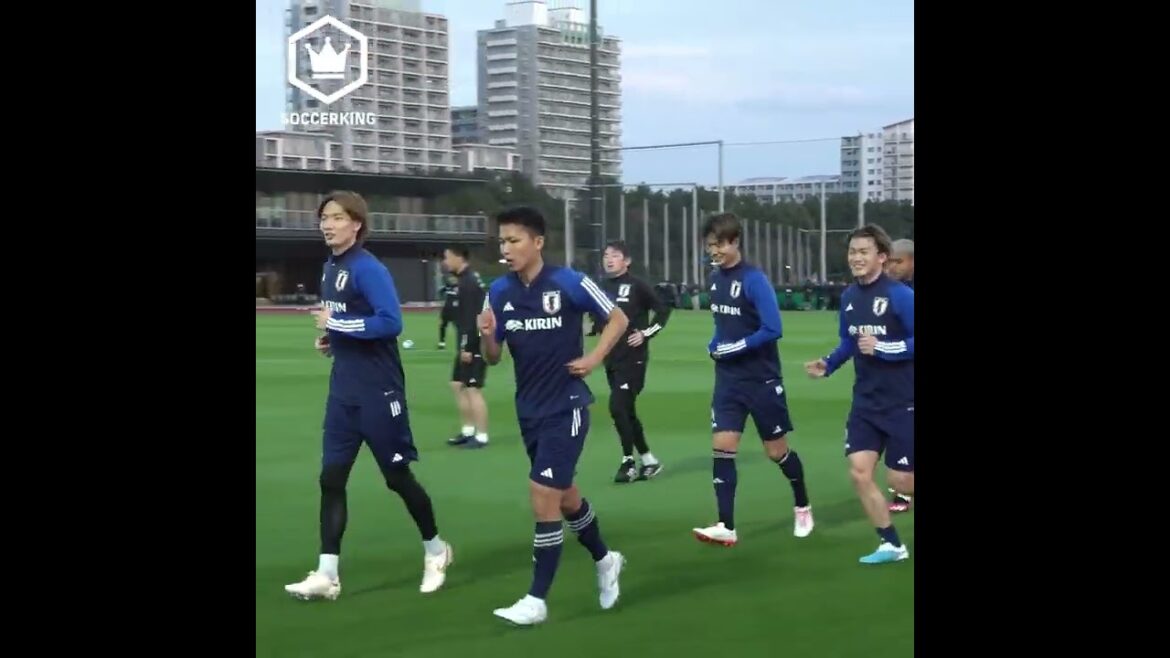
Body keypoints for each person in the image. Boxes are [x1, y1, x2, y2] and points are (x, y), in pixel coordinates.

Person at [284, 191, 454, 601]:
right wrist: (332, 338)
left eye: (337, 217)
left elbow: (390, 322)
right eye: (324, 217)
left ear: (356, 224)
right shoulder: (329, 268)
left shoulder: (368, 268)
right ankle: (328, 574)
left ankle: (436, 549)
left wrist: (338, 323)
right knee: (331, 479)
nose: (328, 224)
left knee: (397, 478)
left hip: (380, 393)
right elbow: (349, 325)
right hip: (344, 392)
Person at [478, 205, 628, 626]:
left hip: (568, 407)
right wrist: (488, 336)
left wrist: (595, 357)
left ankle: (536, 599)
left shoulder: (569, 282)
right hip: (529, 410)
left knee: (542, 492)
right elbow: (493, 359)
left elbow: (618, 317)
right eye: (502, 241)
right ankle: (605, 558)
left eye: (514, 240)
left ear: (538, 242)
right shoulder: (499, 291)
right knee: (564, 496)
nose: (506, 248)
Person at [693, 212, 815, 547]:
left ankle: (802, 504)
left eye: (718, 245)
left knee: (776, 452)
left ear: (734, 242)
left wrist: (734, 347)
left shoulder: (754, 280)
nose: (713, 251)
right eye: (710, 246)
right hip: (729, 381)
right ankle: (726, 525)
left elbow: (773, 329)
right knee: (722, 447)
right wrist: (715, 344)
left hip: (761, 380)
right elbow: (723, 326)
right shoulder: (715, 280)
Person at [804, 224, 914, 565]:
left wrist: (884, 347)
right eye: (852, 252)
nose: (856, 258)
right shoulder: (850, 297)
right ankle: (891, 544)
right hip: (866, 401)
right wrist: (830, 363)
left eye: (863, 251)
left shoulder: (902, 296)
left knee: (902, 481)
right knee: (860, 473)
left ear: (882, 257)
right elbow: (849, 341)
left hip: (902, 401)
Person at [597, 240, 670, 482]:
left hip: (633, 359)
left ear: (626, 261)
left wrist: (646, 333)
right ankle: (649, 460)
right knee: (626, 411)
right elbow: (598, 318)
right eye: (606, 255)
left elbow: (663, 309)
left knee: (617, 407)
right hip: (611, 358)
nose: (609, 259)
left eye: (615, 255)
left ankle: (628, 462)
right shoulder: (601, 286)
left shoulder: (637, 285)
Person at [442, 246, 490, 449]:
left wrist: (468, 346)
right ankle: (468, 430)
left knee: (472, 388)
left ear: (458, 257)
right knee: (457, 384)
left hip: (473, 343)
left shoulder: (469, 283)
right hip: (465, 342)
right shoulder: (464, 280)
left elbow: (473, 319)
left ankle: (481, 436)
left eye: (447, 257)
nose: (445, 262)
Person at [883, 237, 914, 512]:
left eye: (898, 261)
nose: (891, 266)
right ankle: (903, 492)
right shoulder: (890, 292)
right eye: (889, 260)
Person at [437, 271, 458, 349]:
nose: (452, 279)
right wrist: (441, 301)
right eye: (451, 278)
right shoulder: (447, 286)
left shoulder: (461, 287)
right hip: (446, 310)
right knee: (442, 325)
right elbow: (440, 292)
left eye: (454, 278)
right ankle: (442, 342)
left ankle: (462, 344)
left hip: (456, 311)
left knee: (459, 328)